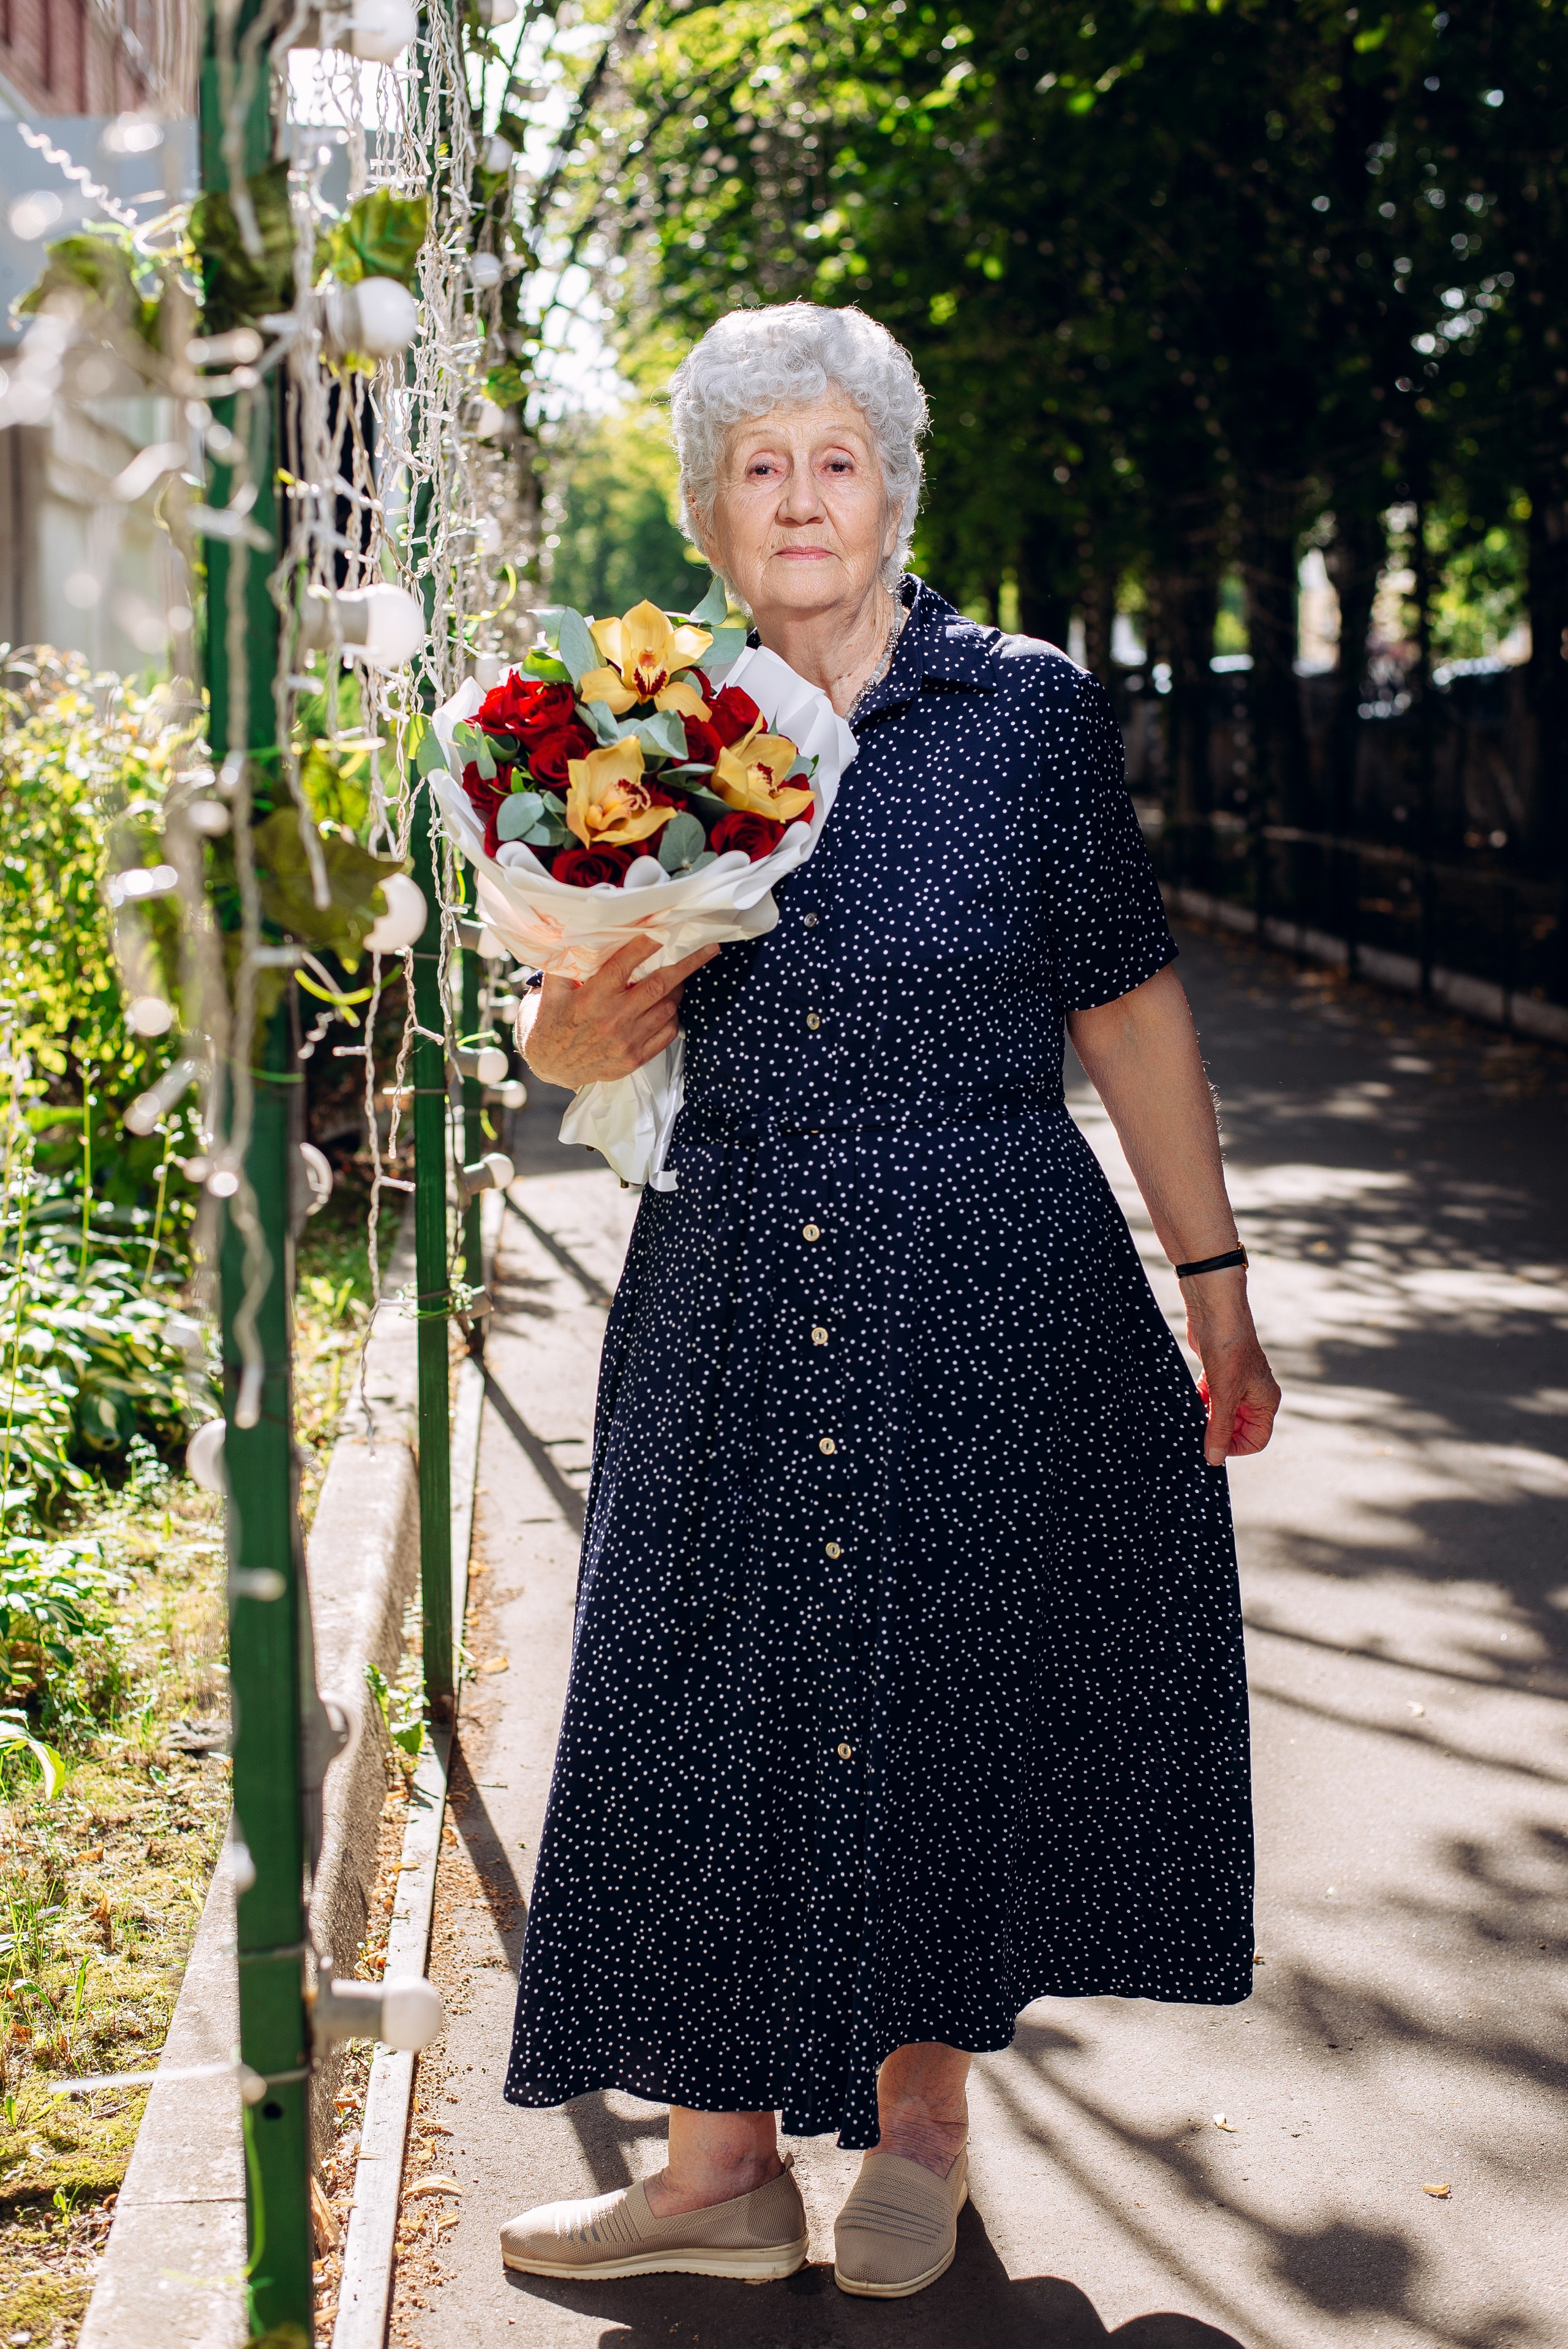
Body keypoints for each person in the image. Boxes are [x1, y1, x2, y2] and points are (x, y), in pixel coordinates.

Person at [499, 301, 1280, 2299]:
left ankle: (918, 2128)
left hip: (988, 1261)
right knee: (706, 1685)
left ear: (895, 490)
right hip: (733, 1262)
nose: (799, 499)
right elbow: (571, 1031)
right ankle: (716, 2172)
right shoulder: (650, 729)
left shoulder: (1019, 710)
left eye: (835, 459)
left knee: (948, 1667)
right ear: (708, 511)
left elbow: (1126, 1001)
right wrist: (570, 1025)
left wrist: (1216, 1282)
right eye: (758, 467)